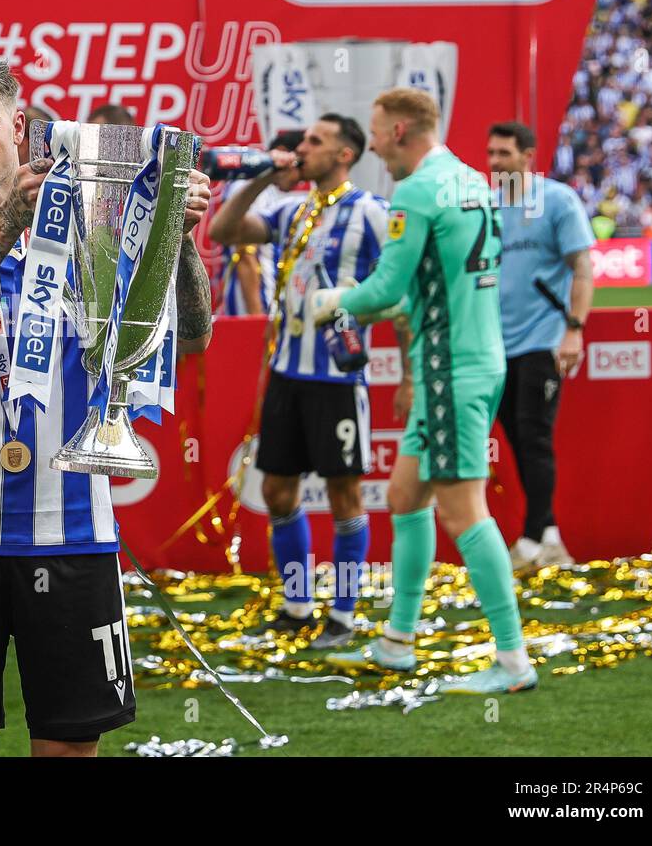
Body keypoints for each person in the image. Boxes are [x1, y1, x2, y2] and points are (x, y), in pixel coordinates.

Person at [0, 49, 214, 756]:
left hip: (73, 531)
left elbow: (187, 336)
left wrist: (176, 240)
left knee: (69, 744)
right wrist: (10, 224)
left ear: (18, 124)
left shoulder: (93, 225)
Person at [312, 88, 536, 694]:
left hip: (448, 371)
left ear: (403, 130)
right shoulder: (469, 181)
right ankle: (398, 642)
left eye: (380, 133)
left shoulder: (414, 191)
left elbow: (386, 287)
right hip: (475, 359)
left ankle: (514, 661)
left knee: (465, 511)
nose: (376, 146)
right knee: (406, 497)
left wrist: (337, 303)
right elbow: (434, 284)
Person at [209, 115, 393, 648]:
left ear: (344, 155)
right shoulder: (293, 210)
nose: (301, 147)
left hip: (336, 379)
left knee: (344, 494)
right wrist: (267, 175)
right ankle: (296, 605)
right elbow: (223, 233)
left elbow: (401, 286)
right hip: (287, 373)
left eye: (315, 141)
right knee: (277, 490)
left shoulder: (374, 213)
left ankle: (344, 614)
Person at [486, 121, 595, 570]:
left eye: (504, 154)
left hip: (542, 340)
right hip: (496, 344)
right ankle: (549, 536)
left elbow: (583, 269)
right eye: (490, 154)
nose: (494, 162)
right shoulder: (488, 207)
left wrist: (574, 328)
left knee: (533, 435)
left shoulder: (557, 200)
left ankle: (531, 539)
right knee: (515, 436)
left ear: (528, 155)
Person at [208, 129, 306, 317]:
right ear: (282, 153)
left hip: (265, 304)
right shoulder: (251, 187)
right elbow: (245, 255)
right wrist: (256, 316)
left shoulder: (265, 190)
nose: (300, 179)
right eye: (298, 165)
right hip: (252, 308)